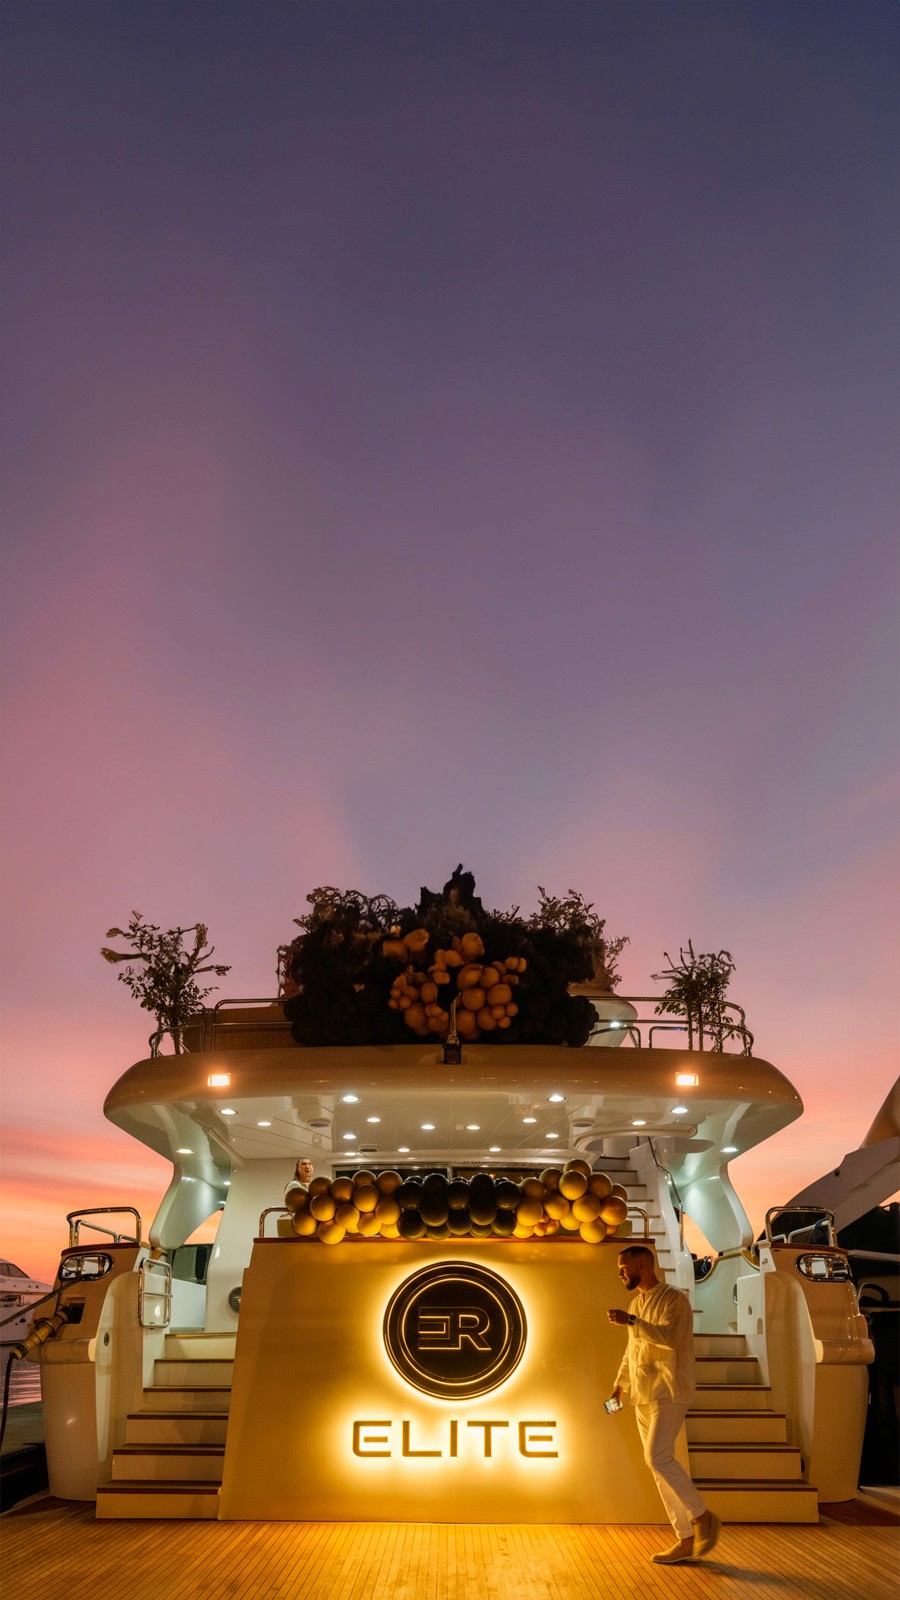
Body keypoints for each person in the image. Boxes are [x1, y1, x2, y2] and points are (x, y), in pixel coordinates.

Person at [607, 1243, 720, 1565]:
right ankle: (684, 1537)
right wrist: (619, 1387)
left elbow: (670, 1338)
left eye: (624, 1267)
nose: (620, 1273)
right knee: (657, 1465)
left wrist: (631, 1320)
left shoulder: (674, 1299)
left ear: (643, 1265)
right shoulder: (635, 1303)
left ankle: (701, 1517)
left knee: (657, 1457)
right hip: (641, 1393)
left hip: (669, 1391)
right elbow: (633, 1353)